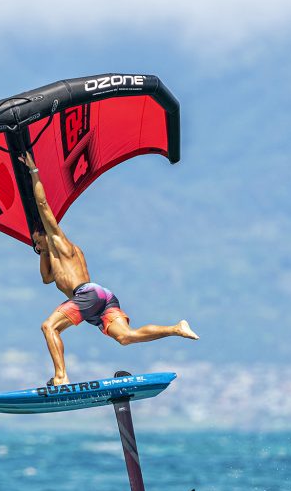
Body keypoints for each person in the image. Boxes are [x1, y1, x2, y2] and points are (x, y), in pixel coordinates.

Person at [20, 152, 198, 385]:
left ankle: (61, 376)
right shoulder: (53, 255)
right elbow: (46, 278)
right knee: (126, 337)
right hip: (101, 298)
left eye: (37, 241)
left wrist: (33, 171)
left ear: (46, 234)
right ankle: (176, 328)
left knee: (49, 327)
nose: (36, 245)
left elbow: (42, 205)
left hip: (87, 294)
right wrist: (42, 250)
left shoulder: (60, 242)